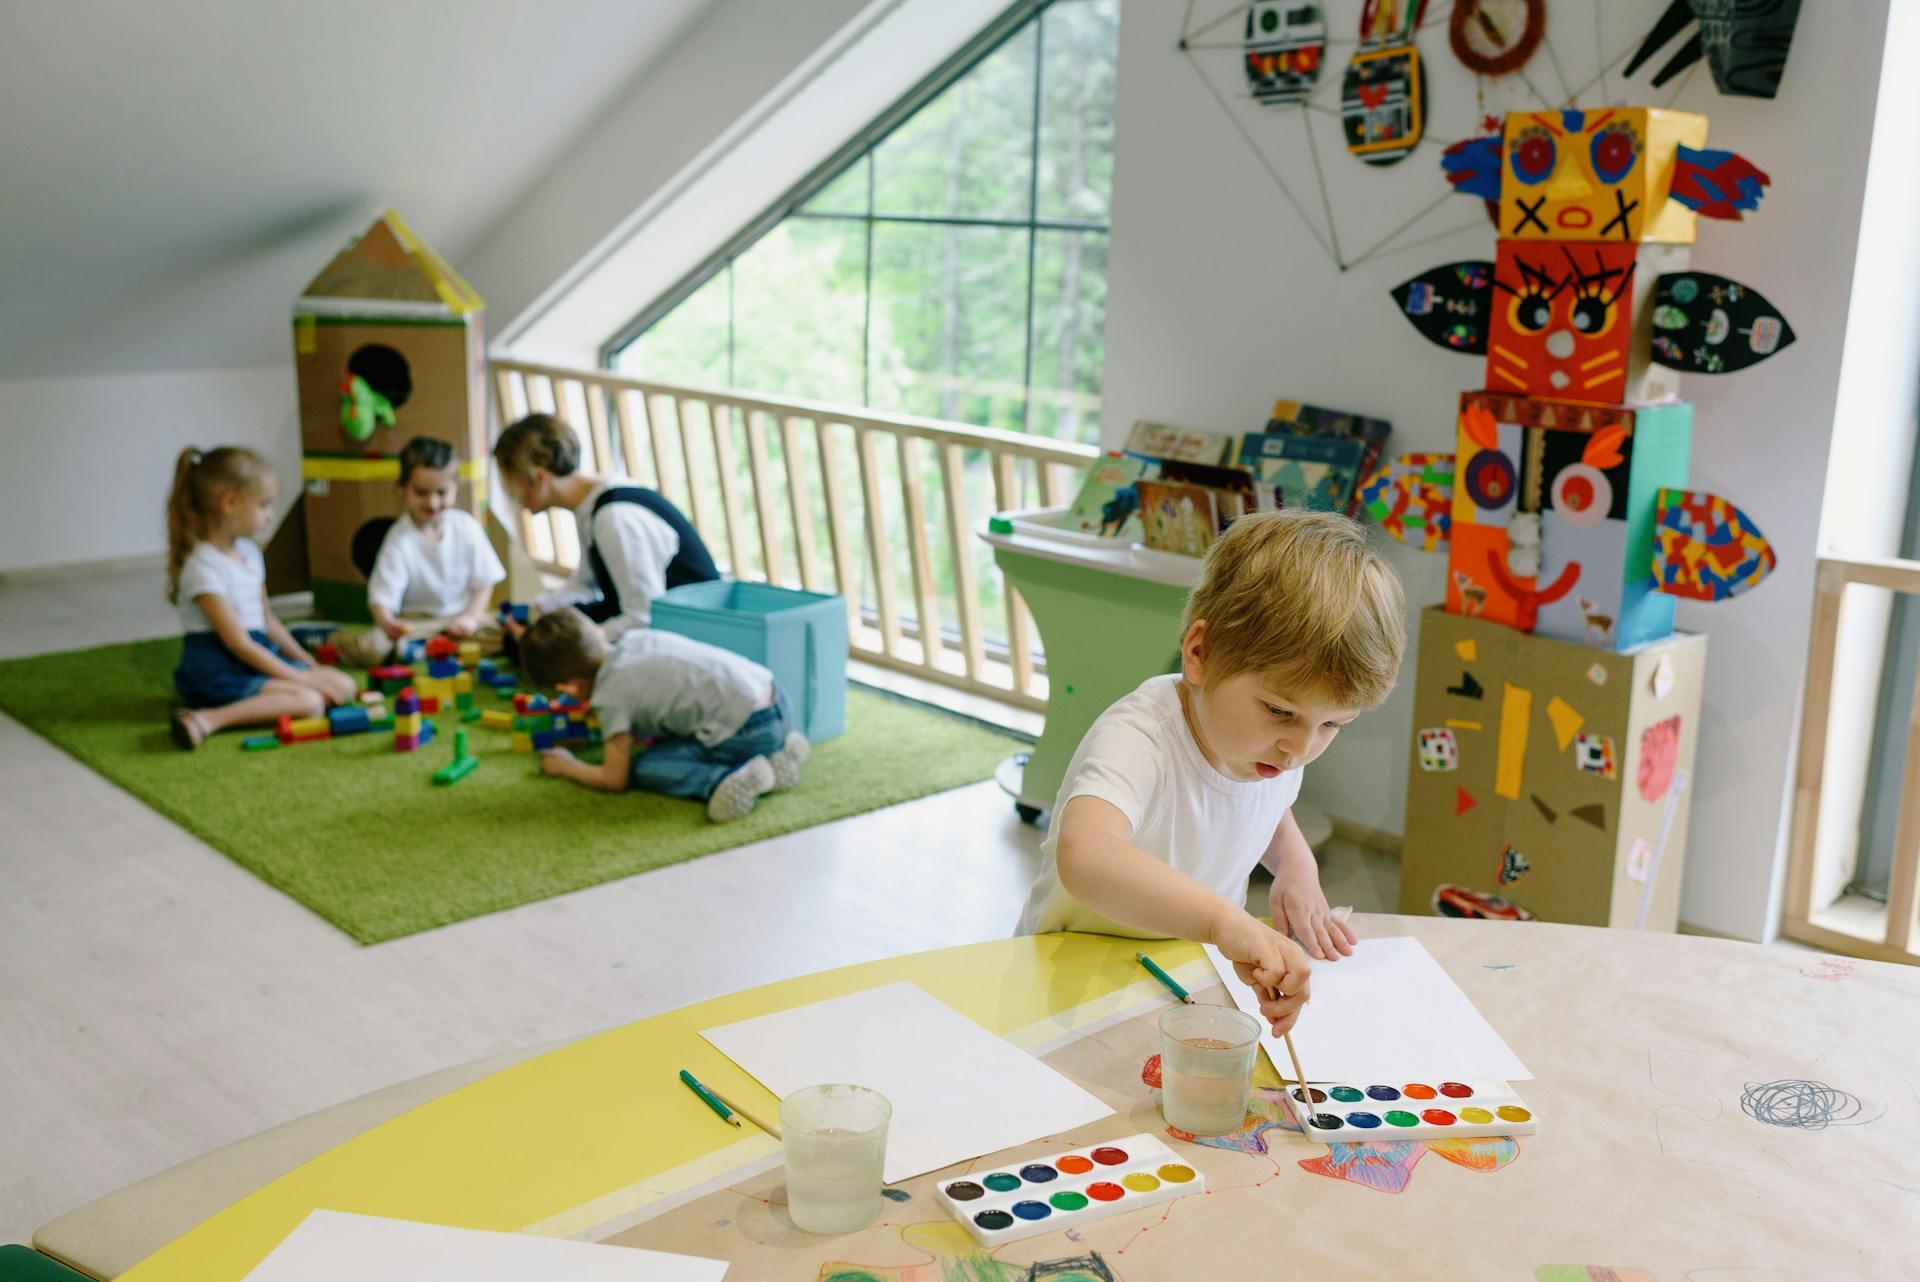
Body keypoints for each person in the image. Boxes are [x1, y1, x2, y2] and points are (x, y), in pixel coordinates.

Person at [1015, 509, 1406, 1034]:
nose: (1301, 748)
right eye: (1280, 710)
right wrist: (1226, 922)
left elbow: (1264, 801)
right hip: (1068, 981)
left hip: (1182, 975)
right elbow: (1086, 855)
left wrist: (1295, 864)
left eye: (1334, 724)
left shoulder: (1268, 749)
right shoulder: (1141, 737)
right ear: (1201, 652)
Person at [517, 607, 810, 822]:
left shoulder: (611, 696)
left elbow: (613, 779)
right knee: (677, 735)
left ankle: (725, 777)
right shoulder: (636, 639)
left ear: (568, 686)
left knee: (646, 766)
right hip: (777, 701)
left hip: (747, 729)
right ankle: (776, 756)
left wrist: (568, 767)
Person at [166, 447, 357, 748]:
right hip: (219, 666)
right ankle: (207, 719)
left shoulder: (251, 553)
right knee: (310, 702)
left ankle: (282, 691)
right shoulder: (203, 567)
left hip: (256, 655)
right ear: (229, 502)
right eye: (264, 505)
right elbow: (239, 644)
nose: (270, 516)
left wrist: (306, 664)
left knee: (344, 684)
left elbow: (267, 621)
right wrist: (302, 680)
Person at [491, 414, 717, 646]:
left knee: (539, 646)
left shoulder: (614, 517)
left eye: (510, 485)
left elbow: (644, 616)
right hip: (643, 615)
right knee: (534, 635)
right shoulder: (592, 503)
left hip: (683, 632)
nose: (513, 498)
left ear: (538, 477)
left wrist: (580, 645)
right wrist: (535, 610)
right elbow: (586, 585)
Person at [329, 436, 506, 666]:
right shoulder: (400, 539)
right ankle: (337, 638)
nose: (432, 503)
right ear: (404, 487)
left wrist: (470, 617)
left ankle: (422, 651)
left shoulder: (467, 527)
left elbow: (484, 583)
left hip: (458, 621)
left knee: (503, 633)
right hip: (415, 625)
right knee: (372, 649)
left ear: (455, 487)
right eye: (421, 493)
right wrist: (389, 624)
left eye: (441, 493)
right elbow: (382, 598)